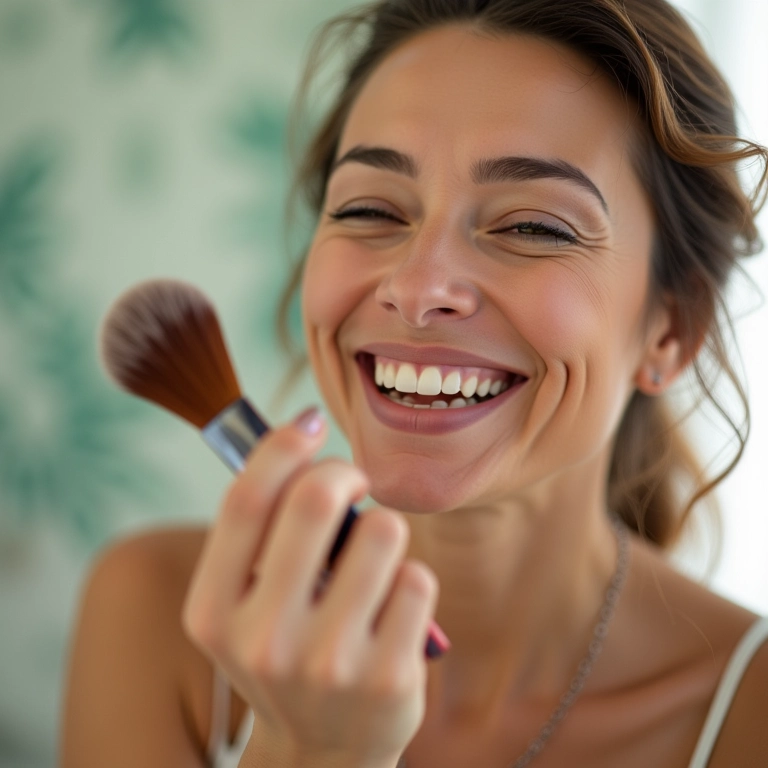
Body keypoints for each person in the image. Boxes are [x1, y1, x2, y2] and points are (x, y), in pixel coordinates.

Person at [59, 1, 768, 766]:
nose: (417, 284)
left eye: (532, 226)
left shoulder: (746, 711)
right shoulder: (154, 611)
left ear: (671, 328)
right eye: (370, 208)